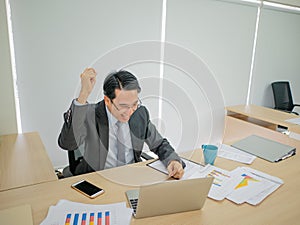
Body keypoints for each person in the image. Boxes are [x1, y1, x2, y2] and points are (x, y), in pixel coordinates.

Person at [58, 68, 185, 179]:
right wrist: (83, 95)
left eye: (134, 104)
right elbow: (68, 143)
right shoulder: (90, 114)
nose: (129, 112)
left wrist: (172, 161)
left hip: (132, 178)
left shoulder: (139, 114)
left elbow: (159, 144)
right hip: (100, 181)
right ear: (107, 100)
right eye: (123, 106)